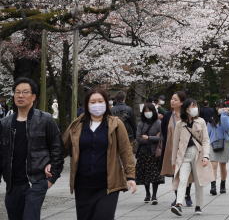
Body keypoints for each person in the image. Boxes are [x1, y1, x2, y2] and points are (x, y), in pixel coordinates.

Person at [63, 87, 136, 220]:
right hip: (83, 185)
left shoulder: (116, 124)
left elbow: (126, 151)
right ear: (87, 105)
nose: (97, 105)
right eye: (93, 102)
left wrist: (130, 176)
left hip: (107, 185)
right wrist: (50, 164)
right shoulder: (77, 125)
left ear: (106, 103)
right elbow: (62, 147)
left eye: (100, 101)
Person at [1, 78, 64, 220]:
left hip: (35, 182)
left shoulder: (45, 120)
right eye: (17, 92)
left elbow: (58, 149)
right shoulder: (5, 123)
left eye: (25, 92)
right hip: (12, 185)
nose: (20, 96)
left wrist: (52, 177)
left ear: (33, 97)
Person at [171, 99, 212, 216]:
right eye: (192, 106)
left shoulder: (201, 121)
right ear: (186, 109)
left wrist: (206, 156)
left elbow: (205, 140)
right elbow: (175, 144)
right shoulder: (180, 124)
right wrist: (173, 161)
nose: (195, 108)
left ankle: (198, 205)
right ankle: (178, 204)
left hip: (198, 154)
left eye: (196, 106)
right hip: (183, 155)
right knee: (182, 180)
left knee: (199, 182)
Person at [161, 91, 193, 207]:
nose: (172, 101)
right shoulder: (167, 115)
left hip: (185, 148)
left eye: (175, 99)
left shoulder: (188, 115)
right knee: (174, 173)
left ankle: (187, 195)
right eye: (171, 99)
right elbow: (164, 132)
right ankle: (177, 197)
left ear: (182, 102)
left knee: (186, 173)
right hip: (171, 148)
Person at [136, 103, 163, 205]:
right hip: (143, 152)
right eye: (145, 111)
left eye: (149, 110)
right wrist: (152, 138)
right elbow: (138, 138)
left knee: (155, 174)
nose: (147, 113)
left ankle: (154, 195)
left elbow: (161, 138)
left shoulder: (158, 123)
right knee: (145, 174)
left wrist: (148, 137)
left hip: (154, 152)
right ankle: (147, 193)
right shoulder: (140, 123)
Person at [207, 100, 229, 196]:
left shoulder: (228, 118)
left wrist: (224, 115)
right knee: (213, 164)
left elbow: (227, 127)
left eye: (222, 107)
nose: (220, 109)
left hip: (224, 143)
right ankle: (213, 186)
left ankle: (223, 184)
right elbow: (207, 132)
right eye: (218, 107)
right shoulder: (211, 119)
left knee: (223, 165)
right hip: (213, 143)